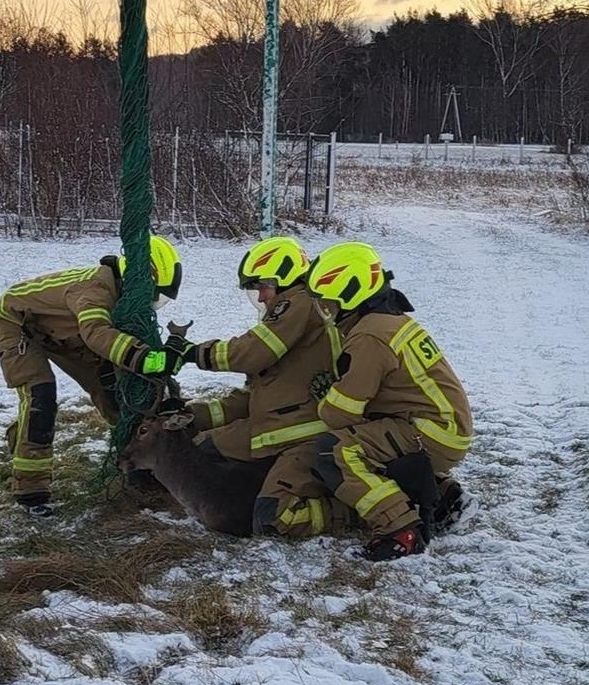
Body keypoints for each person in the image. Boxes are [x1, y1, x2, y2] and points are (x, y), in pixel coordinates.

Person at [168, 236, 358, 536]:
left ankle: (353, 513)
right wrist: (195, 416)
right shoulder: (301, 312)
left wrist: (193, 353)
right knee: (200, 451)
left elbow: (252, 352)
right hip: (276, 425)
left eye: (262, 287)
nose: (261, 298)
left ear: (281, 279)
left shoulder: (299, 303)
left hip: (300, 433)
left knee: (272, 518)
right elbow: (259, 394)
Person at [0, 234, 184, 515]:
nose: (151, 304)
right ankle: (30, 490)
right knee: (41, 396)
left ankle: (140, 469)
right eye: (154, 295)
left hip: (68, 334)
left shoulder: (124, 296)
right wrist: (147, 359)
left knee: (113, 392)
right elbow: (97, 333)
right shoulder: (94, 290)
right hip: (20, 323)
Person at [305, 241, 473, 561]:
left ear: (350, 294)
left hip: (431, 430)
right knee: (371, 435)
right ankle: (441, 496)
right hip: (445, 426)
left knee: (337, 449)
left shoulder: (369, 335)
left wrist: (325, 396)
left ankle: (401, 529)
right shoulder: (390, 320)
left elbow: (340, 412)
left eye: (327, 302)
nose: (324, 311)